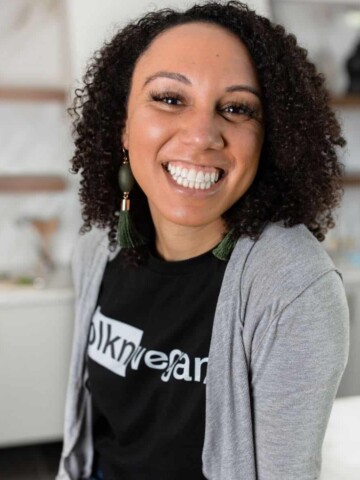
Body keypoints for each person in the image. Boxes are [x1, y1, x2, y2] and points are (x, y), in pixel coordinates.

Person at [57, 2, 349, 479]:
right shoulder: (97, 247)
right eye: (170, 98)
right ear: (123, 127)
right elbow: (89, 442)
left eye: (236, 108)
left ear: (269, 138)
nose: (201, 135)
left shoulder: (293, 286)